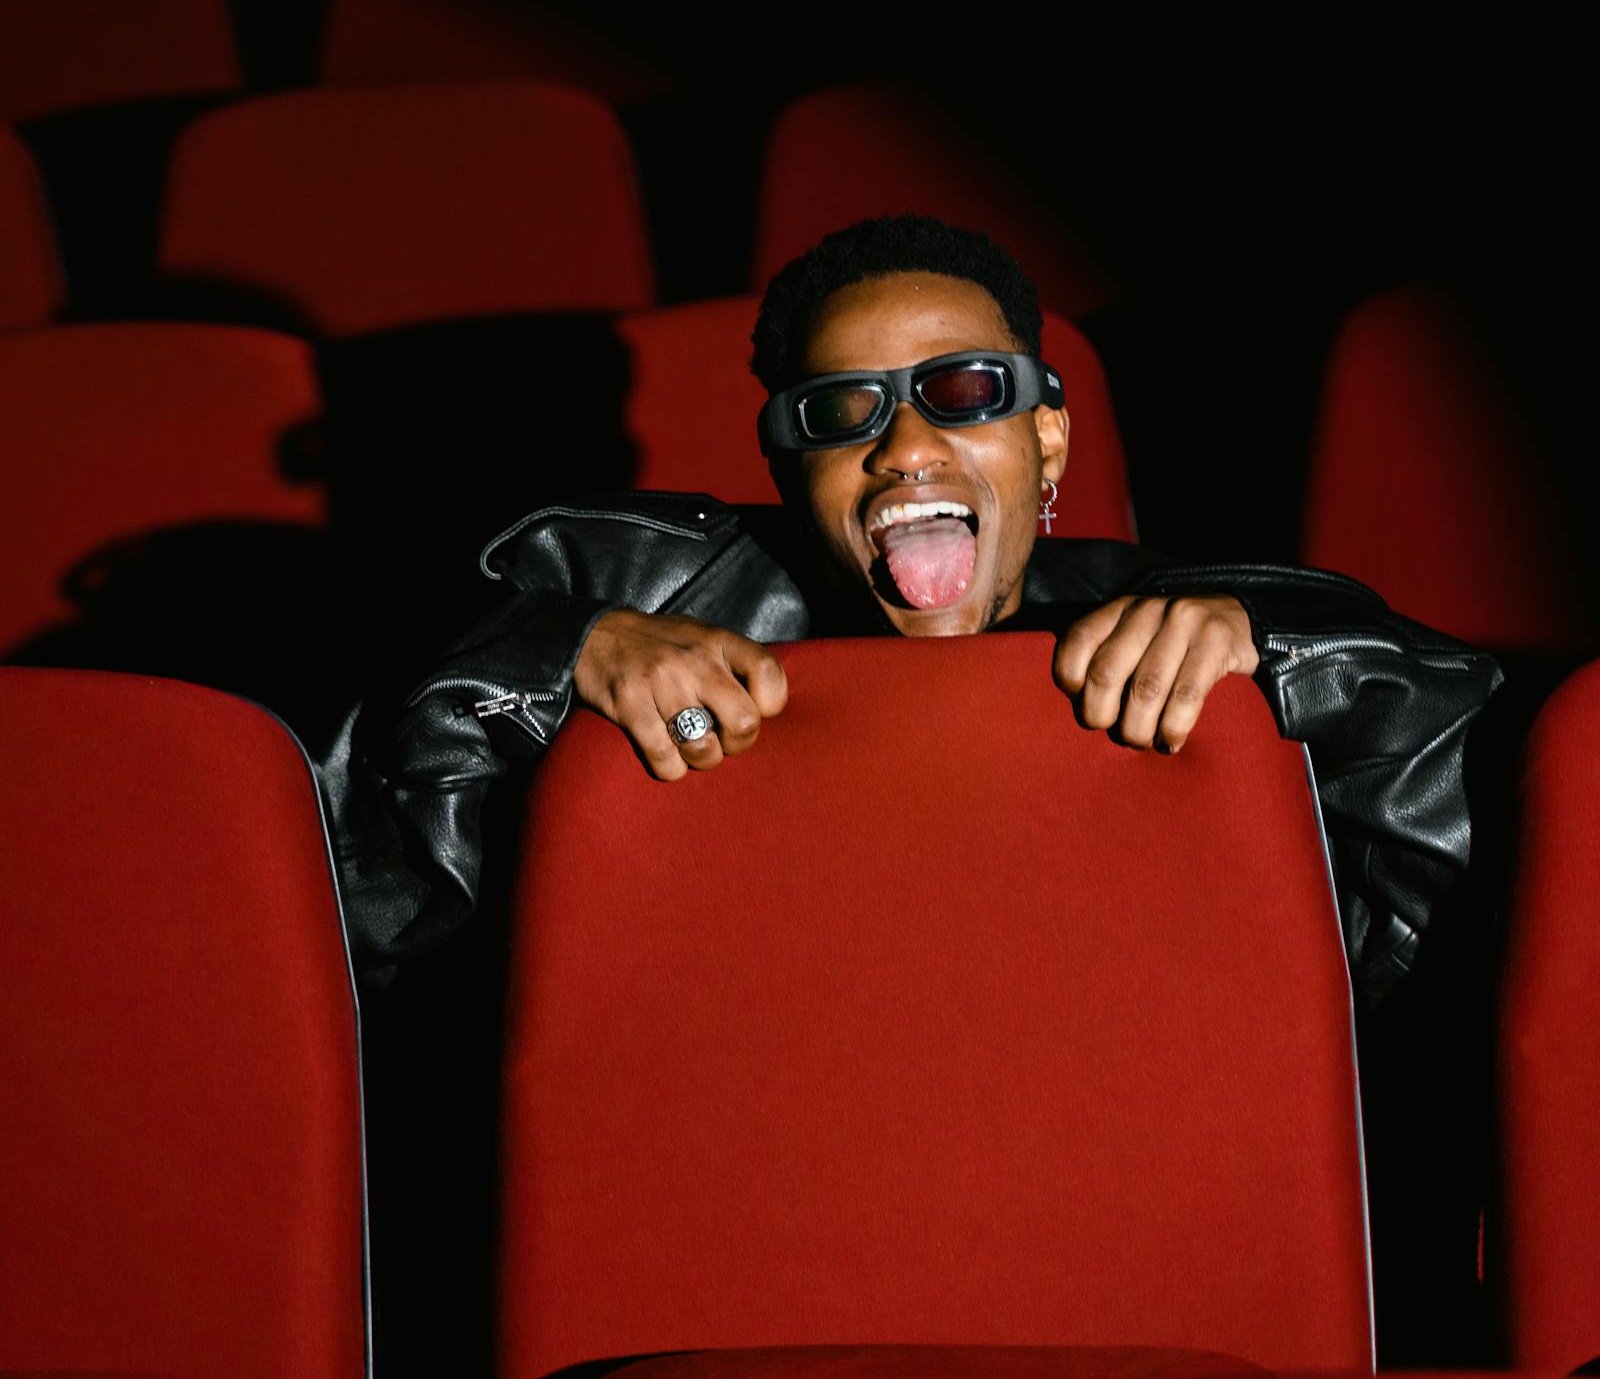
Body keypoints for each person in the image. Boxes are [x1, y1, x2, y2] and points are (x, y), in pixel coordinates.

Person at [323, 214, 1501, 1005]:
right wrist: (549, 655)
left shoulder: (1183, 620)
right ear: (790, 469)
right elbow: (362, 915)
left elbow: (1463, 897)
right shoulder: (610, 586)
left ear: (1048, 440)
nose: (907, 446)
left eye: (964, 391)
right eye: (843, 411)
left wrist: (1294, 647)